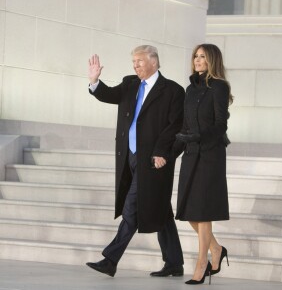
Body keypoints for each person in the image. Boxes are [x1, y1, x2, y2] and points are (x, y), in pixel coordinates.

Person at [86, 45, 185, 278]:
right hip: (129, 156)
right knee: (161, 209)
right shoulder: (130, 83)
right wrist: (94, 82)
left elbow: (176, 126)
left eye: (139, 61)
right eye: (133, 61)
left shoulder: (172, 91)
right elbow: (109, 95)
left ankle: (110, 260)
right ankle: (174, 263)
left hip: (153, 160)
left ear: (154, 62)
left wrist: (163, 153)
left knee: (132, 207)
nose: (135, 65)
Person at [174, 44, 233, 285]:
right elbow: (185, 126)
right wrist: (169, 153)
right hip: (191, 153)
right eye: (195, 56)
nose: (197, 60)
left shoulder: (218, 86)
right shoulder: (190, 89)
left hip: (210, 155)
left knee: (203, 212)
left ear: (212, 61)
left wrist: (198, 137)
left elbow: (221, 125)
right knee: (189, 213)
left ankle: (201, 264)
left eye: (202, 57)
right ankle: (217, 249)